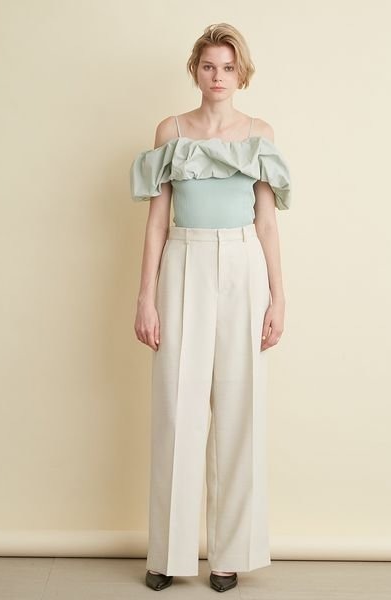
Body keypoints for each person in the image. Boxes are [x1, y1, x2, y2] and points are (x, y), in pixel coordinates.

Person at [129, 22, 292, 593]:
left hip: (244, 265)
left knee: (240, 407)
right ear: (195, 70)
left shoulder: (259, 134)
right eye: (208, 66)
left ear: (240, 73)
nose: (217, 76)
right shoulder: (171, 131)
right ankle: (167, 554)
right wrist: (145, 296)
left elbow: (267, 221)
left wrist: (278, 297)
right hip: (184, 260)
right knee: (178, 407)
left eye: (227, 67)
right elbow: (157, 222)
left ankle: (229, 555)